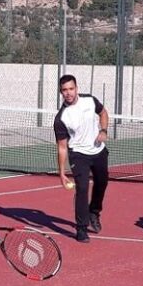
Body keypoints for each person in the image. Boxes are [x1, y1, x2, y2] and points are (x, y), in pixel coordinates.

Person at [54, 75, 110, 243]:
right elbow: (62, 147)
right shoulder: (61, 118)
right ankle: (81, 228)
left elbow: (103, 113)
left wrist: (104, 130)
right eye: (64, 90)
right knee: (82, 188)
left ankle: (94, 212)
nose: (68, 93)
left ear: (77, 88)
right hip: (78, 155)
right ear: (61, 92)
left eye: (71, 89)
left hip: (98, 151)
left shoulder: (90, 100)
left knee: (102, 182)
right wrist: (62, 173)